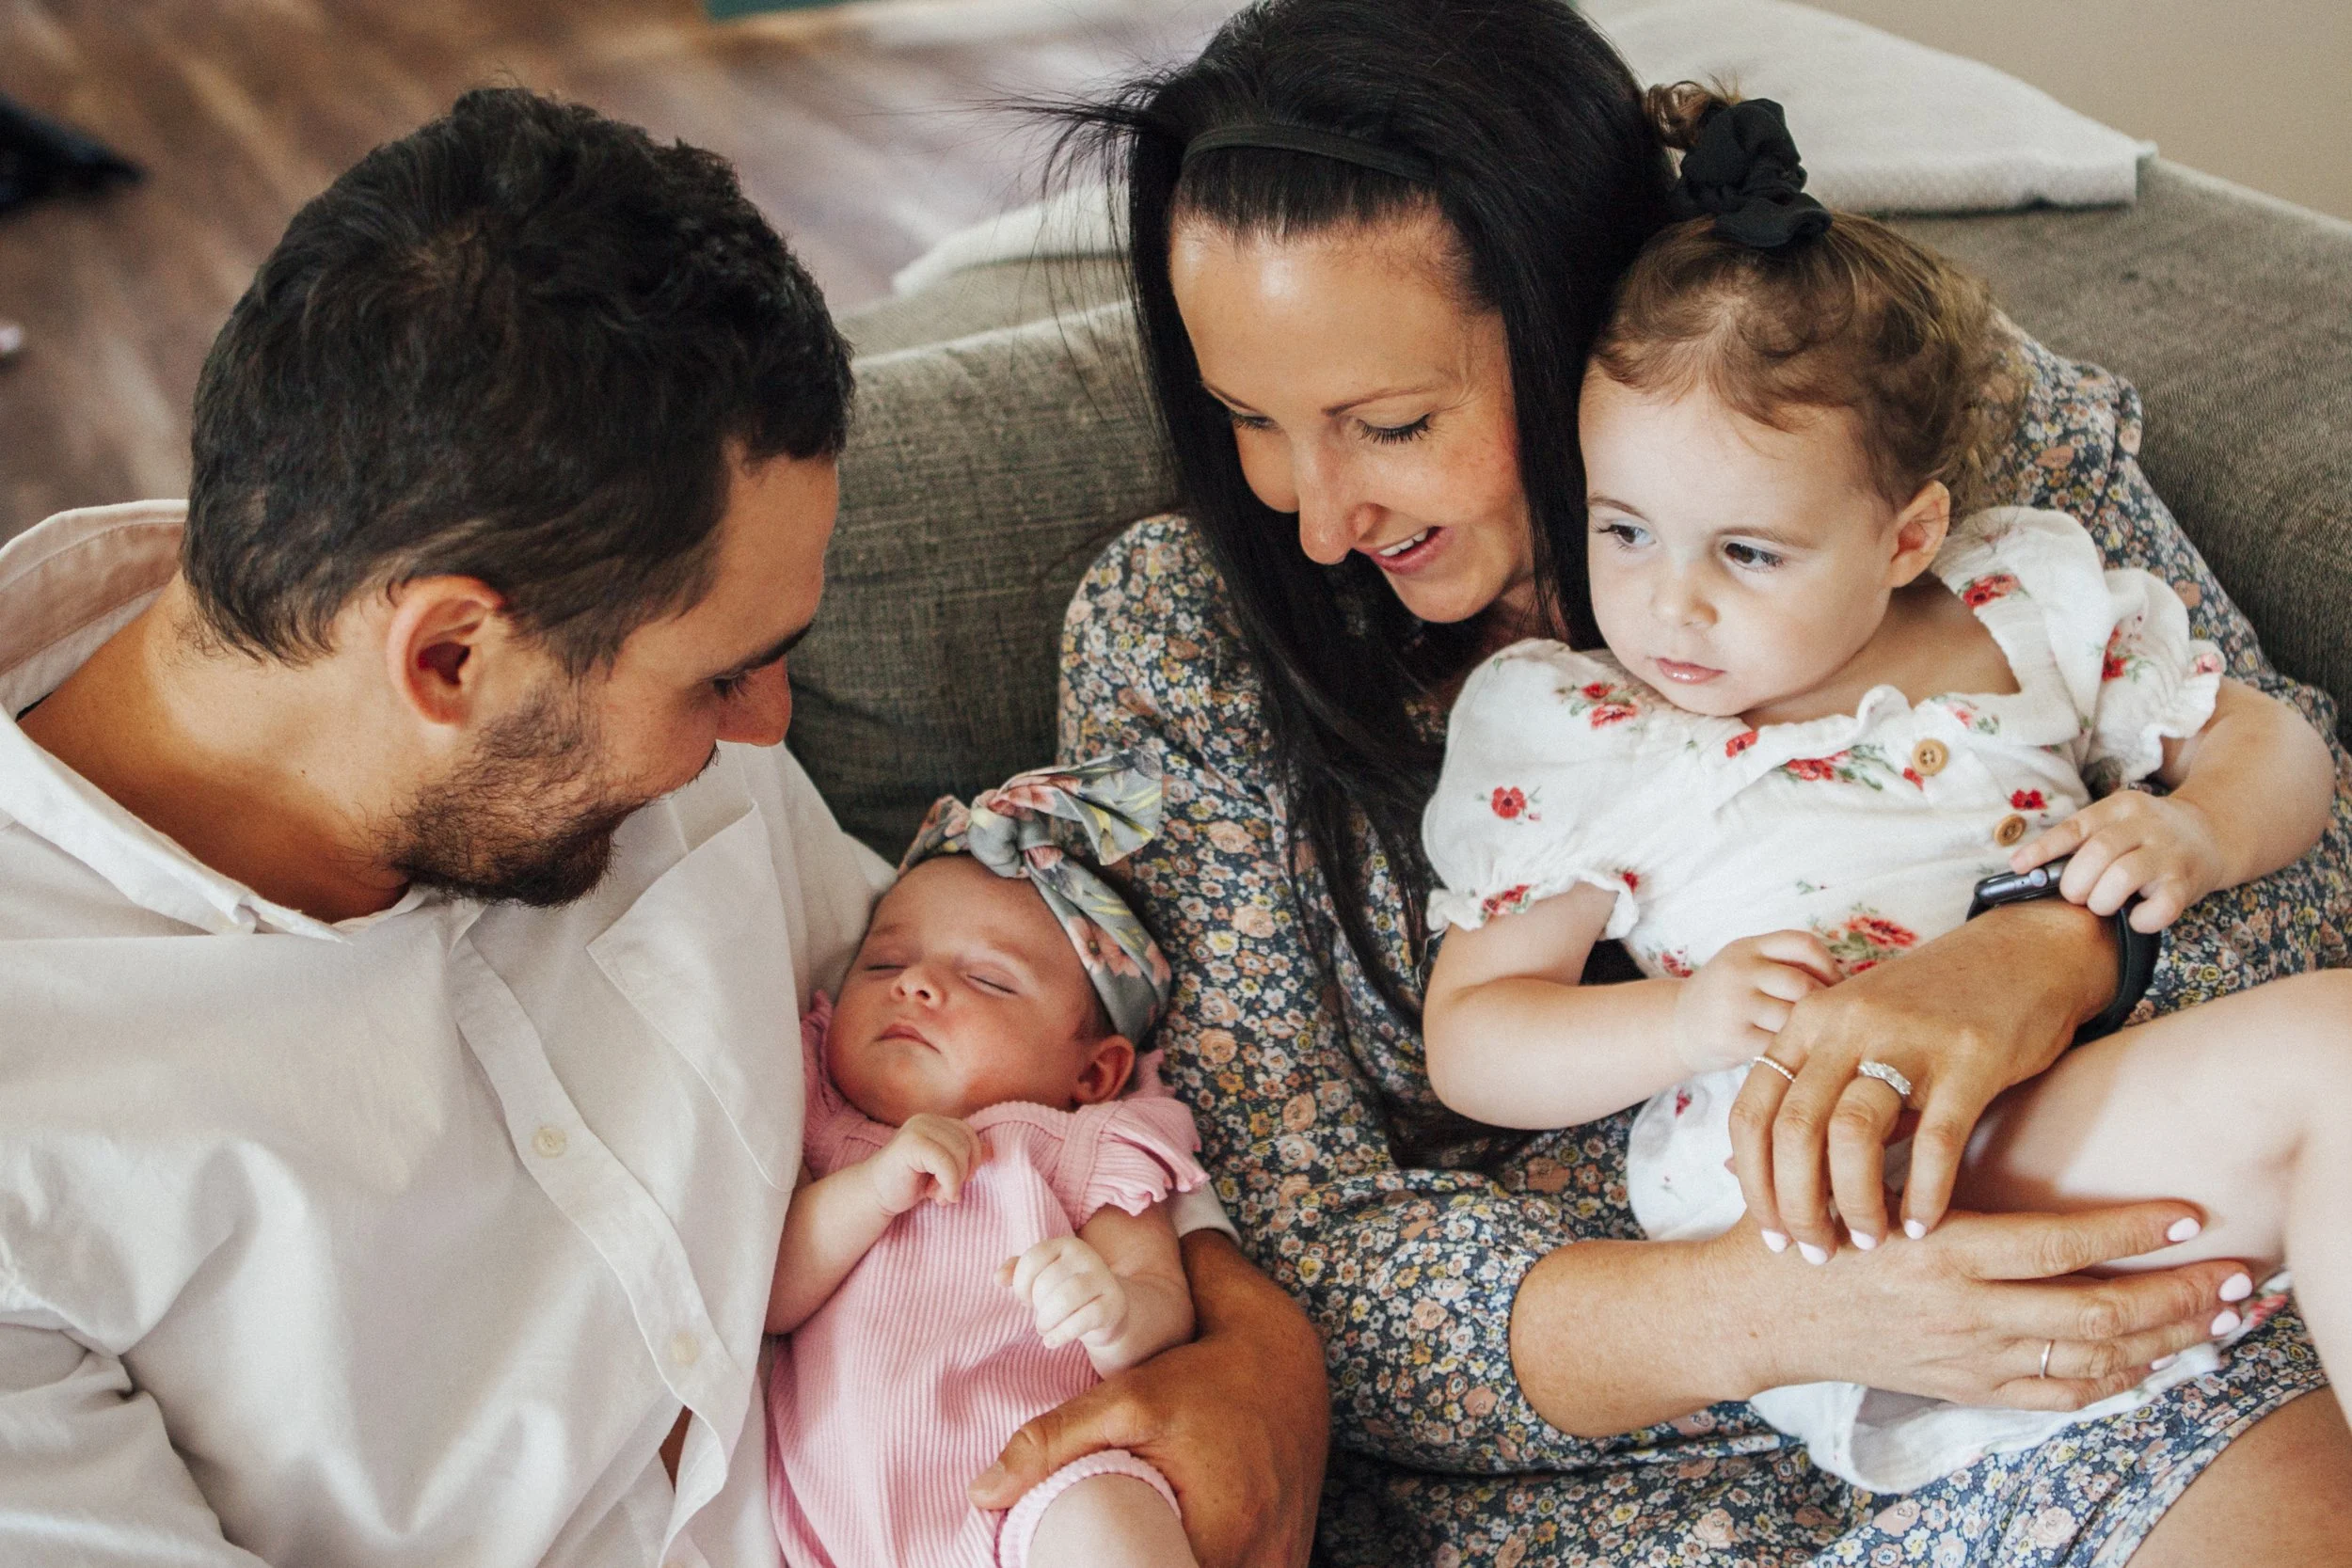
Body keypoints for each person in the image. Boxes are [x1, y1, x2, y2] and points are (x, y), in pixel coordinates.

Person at [1035, 0, 2352, 1560]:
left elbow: (2297, 883)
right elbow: (1293, 1267)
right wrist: (1776, 1309)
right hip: (1611, 1474)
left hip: (2104, 1325)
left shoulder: (1866, 398)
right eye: (1249, 420)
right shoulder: (1182, 635)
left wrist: (2036, 951)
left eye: (1389, 424)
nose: (1320, 521)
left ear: (1570, 321)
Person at [0, 87, 1326, 1567]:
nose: (768, 728)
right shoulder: (37, 1109)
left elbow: (997, 1086)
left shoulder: (649, 750)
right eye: (720, 674)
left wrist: (1260, 1346)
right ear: (449, 658)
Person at [1417, 86, 2348, 1496]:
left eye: (1748, 553)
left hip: (2056, 1100)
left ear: (1905, 532)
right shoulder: (1585, 718)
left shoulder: (2018, 601)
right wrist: (1680, 1013)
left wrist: (2200, 821)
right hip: (1823, 1186)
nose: (1670, 603)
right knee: (2334, 1059)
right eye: (1624, 528)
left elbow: (2274, 744)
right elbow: (1475, 1037)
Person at [769, 757, 1202, 1568]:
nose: (919, 986)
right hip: (836, 1531)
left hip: (1036, 1500)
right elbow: (770, 1296)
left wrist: (1111, 1311)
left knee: (1109, 1527)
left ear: (1093, 1073)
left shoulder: (1081, 1142)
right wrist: (872, 1187)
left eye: (987, 979)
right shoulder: (830, 1131)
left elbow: (1161, 1300)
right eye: (884, 963)